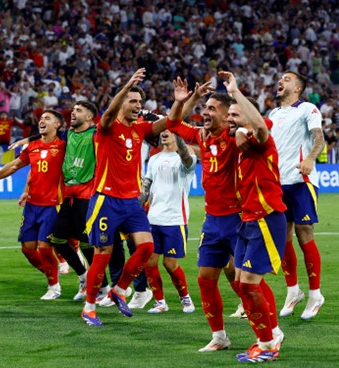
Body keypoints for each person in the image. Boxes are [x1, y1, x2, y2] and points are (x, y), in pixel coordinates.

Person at [81, 68, 166, 327]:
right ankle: (89, 307)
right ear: (121, 104)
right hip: (106, 199)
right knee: (103, 253)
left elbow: (169, 123)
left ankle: (119, 290)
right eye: (132, 101)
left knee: (147, 248)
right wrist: (127, 83)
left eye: (140, 102)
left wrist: (187, 100)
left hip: (131, 201)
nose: (138, 106)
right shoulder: (106, 127)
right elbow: (108, 113)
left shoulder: (139, 129)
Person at [167, 81, 246, 351]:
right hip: (212, 220)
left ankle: (270, 333)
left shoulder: (237, 138)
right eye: (204, 107)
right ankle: (220, 337)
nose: (205, 112)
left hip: (238, 218)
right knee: (205, 279)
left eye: (211, 108)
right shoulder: (202, 137)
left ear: (227, 116)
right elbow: (174, 123)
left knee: (246, 282)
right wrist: (185, 100)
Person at [221, 71, 286, 363]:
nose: (230, 118)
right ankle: (268, 337)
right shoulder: (240, 143)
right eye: (229, 115)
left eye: (235, 114)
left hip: (266, 218)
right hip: (247, 220)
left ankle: (269, 343)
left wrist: (235, 92)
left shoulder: (261, 140)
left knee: (248, 284)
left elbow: (260, 125)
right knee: (243, 282)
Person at [10, 100, 100, 301]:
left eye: (47, 118)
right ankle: (83, 277)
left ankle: (98, 285)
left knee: (75, 242)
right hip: (43, 201)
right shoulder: (61, 137)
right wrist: (26, 189)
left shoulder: (77, 138)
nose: (73, 113)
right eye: (41, 118)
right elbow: (33, 168)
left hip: (69, 198)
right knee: (35, 247)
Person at [0, 110, 66, 300]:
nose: (42, 120)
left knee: (45, 246)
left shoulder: (64, 146)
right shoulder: (32, 147)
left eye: (48, 118)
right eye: (41, 118)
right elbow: (13, 166)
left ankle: (54, 285)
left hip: (53, 205)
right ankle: (50, 274)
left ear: (57, 125)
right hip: (32, 205)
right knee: (28, 249)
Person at [268, 71, 325, 320]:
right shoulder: (273, 114)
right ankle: (293, 291)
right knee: (283, 237)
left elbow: (319, 139)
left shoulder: (308, 109)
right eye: (280, 78)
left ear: (299, 88)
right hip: (278, 184)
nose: (281, 81)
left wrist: (310, 158)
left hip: (300, 181)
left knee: (304, 235)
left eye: (287, 79)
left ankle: (315, 294)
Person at [140, 128, 197, 314]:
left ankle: (185, 298)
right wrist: (137, 204)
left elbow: (187, 161)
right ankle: (160, 302)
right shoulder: (154, 159)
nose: (165, 133)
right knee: (149, 262)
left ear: (177, 135)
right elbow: (146, 185)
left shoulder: (186, 157)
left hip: (175, 219)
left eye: (170, 131)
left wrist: (181, 141)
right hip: (153, 219)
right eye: (163, 130)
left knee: (170, 264)